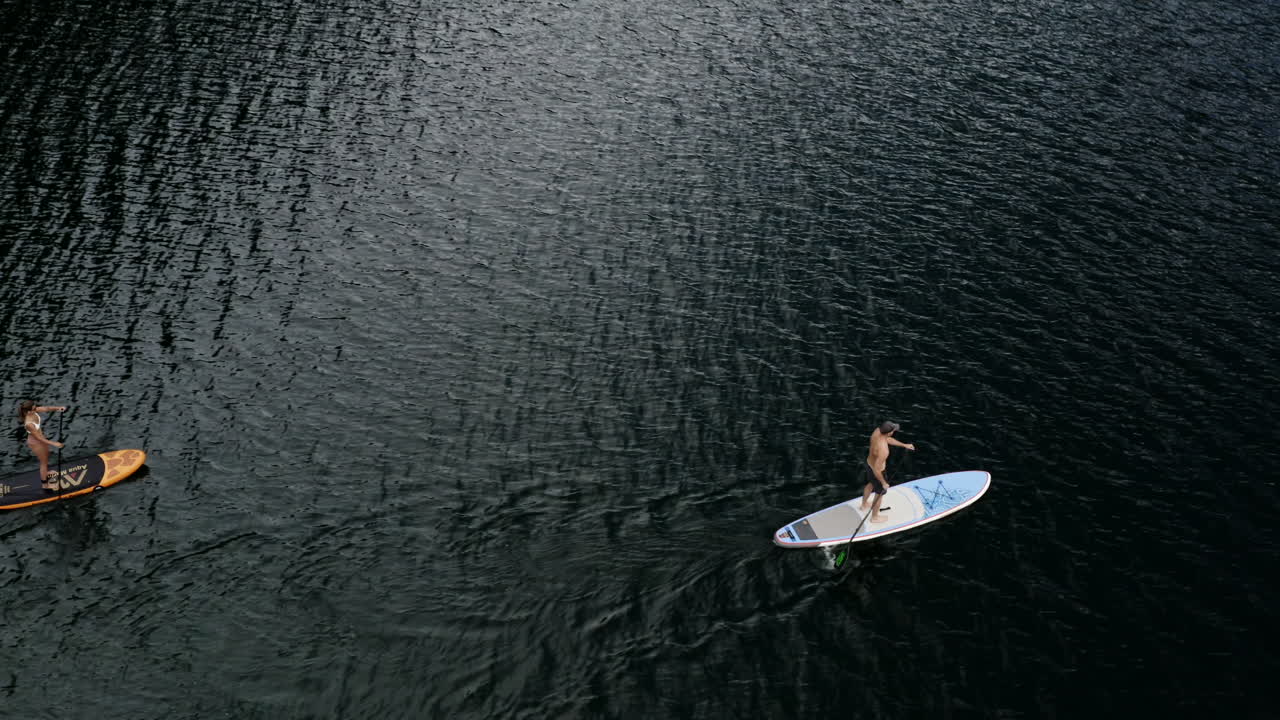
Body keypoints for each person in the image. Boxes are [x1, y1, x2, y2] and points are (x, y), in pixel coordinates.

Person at [859, 420, 915, 523]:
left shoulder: (877, 432)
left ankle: (864, 505)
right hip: (878, 471)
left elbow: (887, 439)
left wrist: (904, 445)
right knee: (879, 493)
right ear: (889, 432)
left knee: (871, 483)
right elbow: (877, 469)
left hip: (869, 463)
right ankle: (875, 518)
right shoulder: (884, 450)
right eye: (893, 430)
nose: (894, 431)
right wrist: (883, 483)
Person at [18, 400, 67, 491]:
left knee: (46, 456)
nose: (36, 408)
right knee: (43, 462)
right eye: (34, 408)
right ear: (29, 411)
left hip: (41, 439)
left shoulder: (34, 410)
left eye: (35, 407)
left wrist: (58, 408)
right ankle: (45, 485)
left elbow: (46, 408)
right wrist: (54, 443)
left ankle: (46, 473)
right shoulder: (29, 424)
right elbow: (39, 438)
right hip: (36, 442)